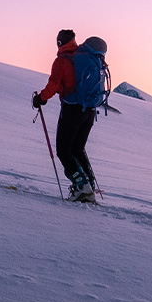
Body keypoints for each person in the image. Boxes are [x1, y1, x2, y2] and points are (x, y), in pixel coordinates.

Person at [32, 29, 100, 202]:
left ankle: (82, 187)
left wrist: (40, 99)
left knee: (63, 151)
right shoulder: (83, 57)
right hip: (89, 110)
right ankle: (89, 186)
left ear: (60, 43)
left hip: (72, 110)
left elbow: (54, 84)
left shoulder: (62, 61)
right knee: (77, 149)